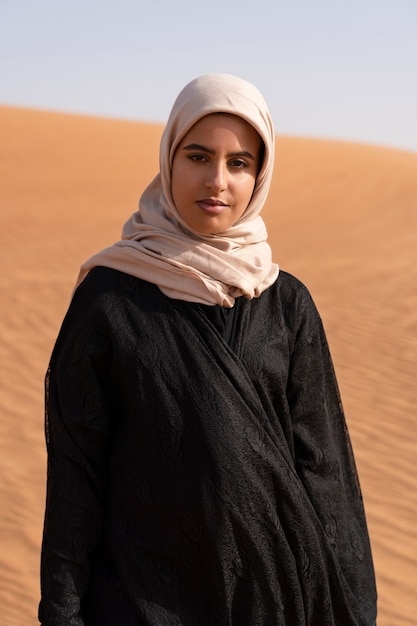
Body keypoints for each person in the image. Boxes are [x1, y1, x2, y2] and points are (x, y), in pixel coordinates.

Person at [39, 73, 377, 625]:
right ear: (169, 159)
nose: (217, 180)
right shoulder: (109, 299)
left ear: (259, 175)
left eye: (239, 163)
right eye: (198, 156)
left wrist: (357, 613)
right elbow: (76, 477)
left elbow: (326, 474)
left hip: (280, 603)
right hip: (142, 603)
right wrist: (62, 613)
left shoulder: (286, 302)